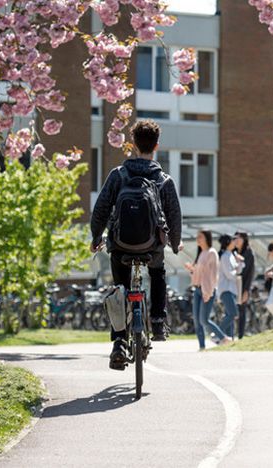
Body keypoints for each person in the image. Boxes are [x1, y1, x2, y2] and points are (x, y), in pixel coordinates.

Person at [90, 119, 183, 370]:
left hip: (120, 247)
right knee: (158, 272)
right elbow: (174, 217)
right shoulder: (164, 180)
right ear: (156, 146)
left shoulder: (118, 175)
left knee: (119, 288)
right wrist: (175, 244)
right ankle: (158, 321)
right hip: (151, 248)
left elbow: (100, 210)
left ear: (133, 144)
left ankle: (119, 341)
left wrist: (96, 237)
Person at [184, 230, 230, 349]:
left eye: (200, 237)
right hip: (198, 290)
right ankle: (202, 347)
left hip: (207, 290)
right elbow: (199, 274)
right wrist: (191, 269)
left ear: (207, 238)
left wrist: (208, 291)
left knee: (204, 320)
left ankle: (224, 338)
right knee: (197, 321)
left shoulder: (212, 253)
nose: (197, 239)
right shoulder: (201, 253)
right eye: (197, 236)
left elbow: (213, 275)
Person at [217, 234, 244, 339]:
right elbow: (229, 274)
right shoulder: (225, 257)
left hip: (232, 289)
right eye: (233, 240)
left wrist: (240, 262)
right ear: (228, 243)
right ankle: (217, 334)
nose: (235, 242)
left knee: (229, 315)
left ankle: (228, 338)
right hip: (226, 289)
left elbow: (238, 270)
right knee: (233, 314)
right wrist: (237, 272)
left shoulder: (232, 255)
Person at [234, 231, 255, 339]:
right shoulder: (233, 252)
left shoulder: (249, 253)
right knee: (232, 310)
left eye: (238, 238)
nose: (236, 240)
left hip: (243, 285)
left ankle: (240, 336)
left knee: (241, 311)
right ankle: (231, 335)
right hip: (233, 284)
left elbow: (250, 273)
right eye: (235, 238)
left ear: (244, 240)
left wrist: (246, 290)